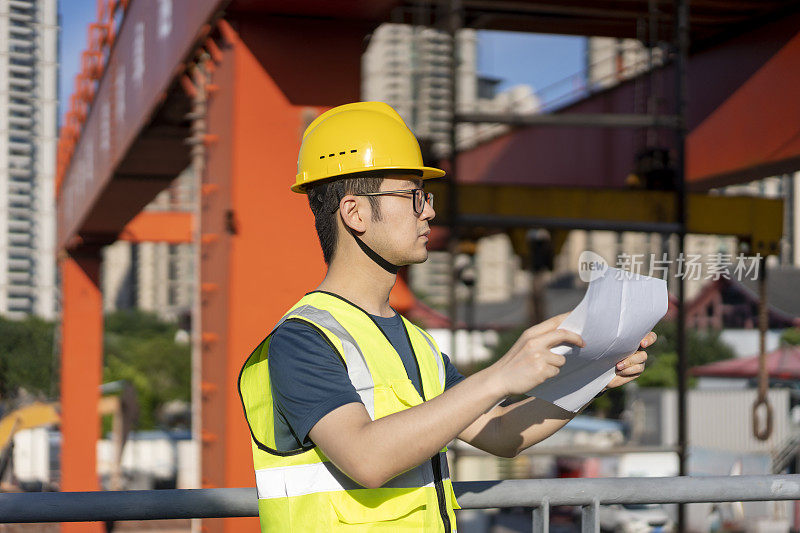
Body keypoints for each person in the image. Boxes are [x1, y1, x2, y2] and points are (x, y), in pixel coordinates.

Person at [238, 102, 655, 532]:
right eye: (412, 196)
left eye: (427, 197)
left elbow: (498, 432)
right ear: (354, 213)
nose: (429, 211)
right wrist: (500, 375)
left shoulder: (416, 342)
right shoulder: (302, 339)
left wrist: (592, 373)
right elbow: (366, 459)